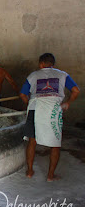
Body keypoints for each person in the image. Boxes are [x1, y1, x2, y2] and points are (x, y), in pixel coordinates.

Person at [19, 53, 80, 182]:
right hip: (53, 111)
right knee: (55, 144)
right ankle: (50, 176)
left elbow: (23, 94)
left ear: (41, 64)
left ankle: (30, 171)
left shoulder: (33, 75)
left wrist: (31, 103)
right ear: (53, 64)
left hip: (36, 109)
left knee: (32, 141)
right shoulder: (63, 75)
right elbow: (76, 90)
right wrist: (67, 102)